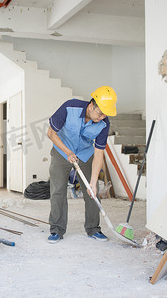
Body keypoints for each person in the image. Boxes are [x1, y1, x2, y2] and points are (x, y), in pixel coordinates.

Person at [47, 86, 117, 243]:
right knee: (58, 190)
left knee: (92, 191)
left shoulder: (104, 123)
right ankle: (57, 229)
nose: (101, 117)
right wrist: (67, 152)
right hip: (61, 151)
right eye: (99, 113)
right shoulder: (69, 107)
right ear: (91, 106)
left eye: (105, 114)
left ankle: (93, 229)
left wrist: (93, 182)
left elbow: (99, 152)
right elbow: (51, 133)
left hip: (85, 154)